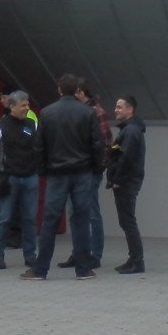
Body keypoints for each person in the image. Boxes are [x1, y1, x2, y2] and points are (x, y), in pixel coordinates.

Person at [29, 73, 104, 281]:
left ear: (59, 90)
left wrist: (43, 171)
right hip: (82, 173)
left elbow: (39, 146)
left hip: (57, 174)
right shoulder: (88, 113)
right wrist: (97, 168)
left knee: (49, 221)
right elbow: (97, 144)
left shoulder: (46, 113)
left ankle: (40, 269)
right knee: (81, 221)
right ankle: (83, 269)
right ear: (76, 91)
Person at [0, 91, 41, 275]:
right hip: (9, 177)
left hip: (30, 176)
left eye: (27, 105)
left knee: (29, 218)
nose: (27, 108)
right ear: (12, 106)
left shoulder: (31, 124)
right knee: (4, 217)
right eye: (23, 105)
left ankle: (30, 255)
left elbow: (39, 146)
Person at [57, 85, 111, 271]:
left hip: (90, 171)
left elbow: (105, 141)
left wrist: (98, 168)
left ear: (82, 93)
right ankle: (79, 252)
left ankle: (95, 255)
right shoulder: (77, 112)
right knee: (74, 213)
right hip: (77, 170)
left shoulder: (96, 112)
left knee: (91, 214)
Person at [107, 95, 148, 274]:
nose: (116, 110)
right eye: (116, 107)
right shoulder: (129, 130)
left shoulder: (131, 131)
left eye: (119, 107)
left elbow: (126, 158)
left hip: (126, 182)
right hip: (128, 181)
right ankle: (133, 259)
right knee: (126, 221)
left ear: (130, 109)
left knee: (128, 221)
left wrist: (118, 180)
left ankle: (137, 261)